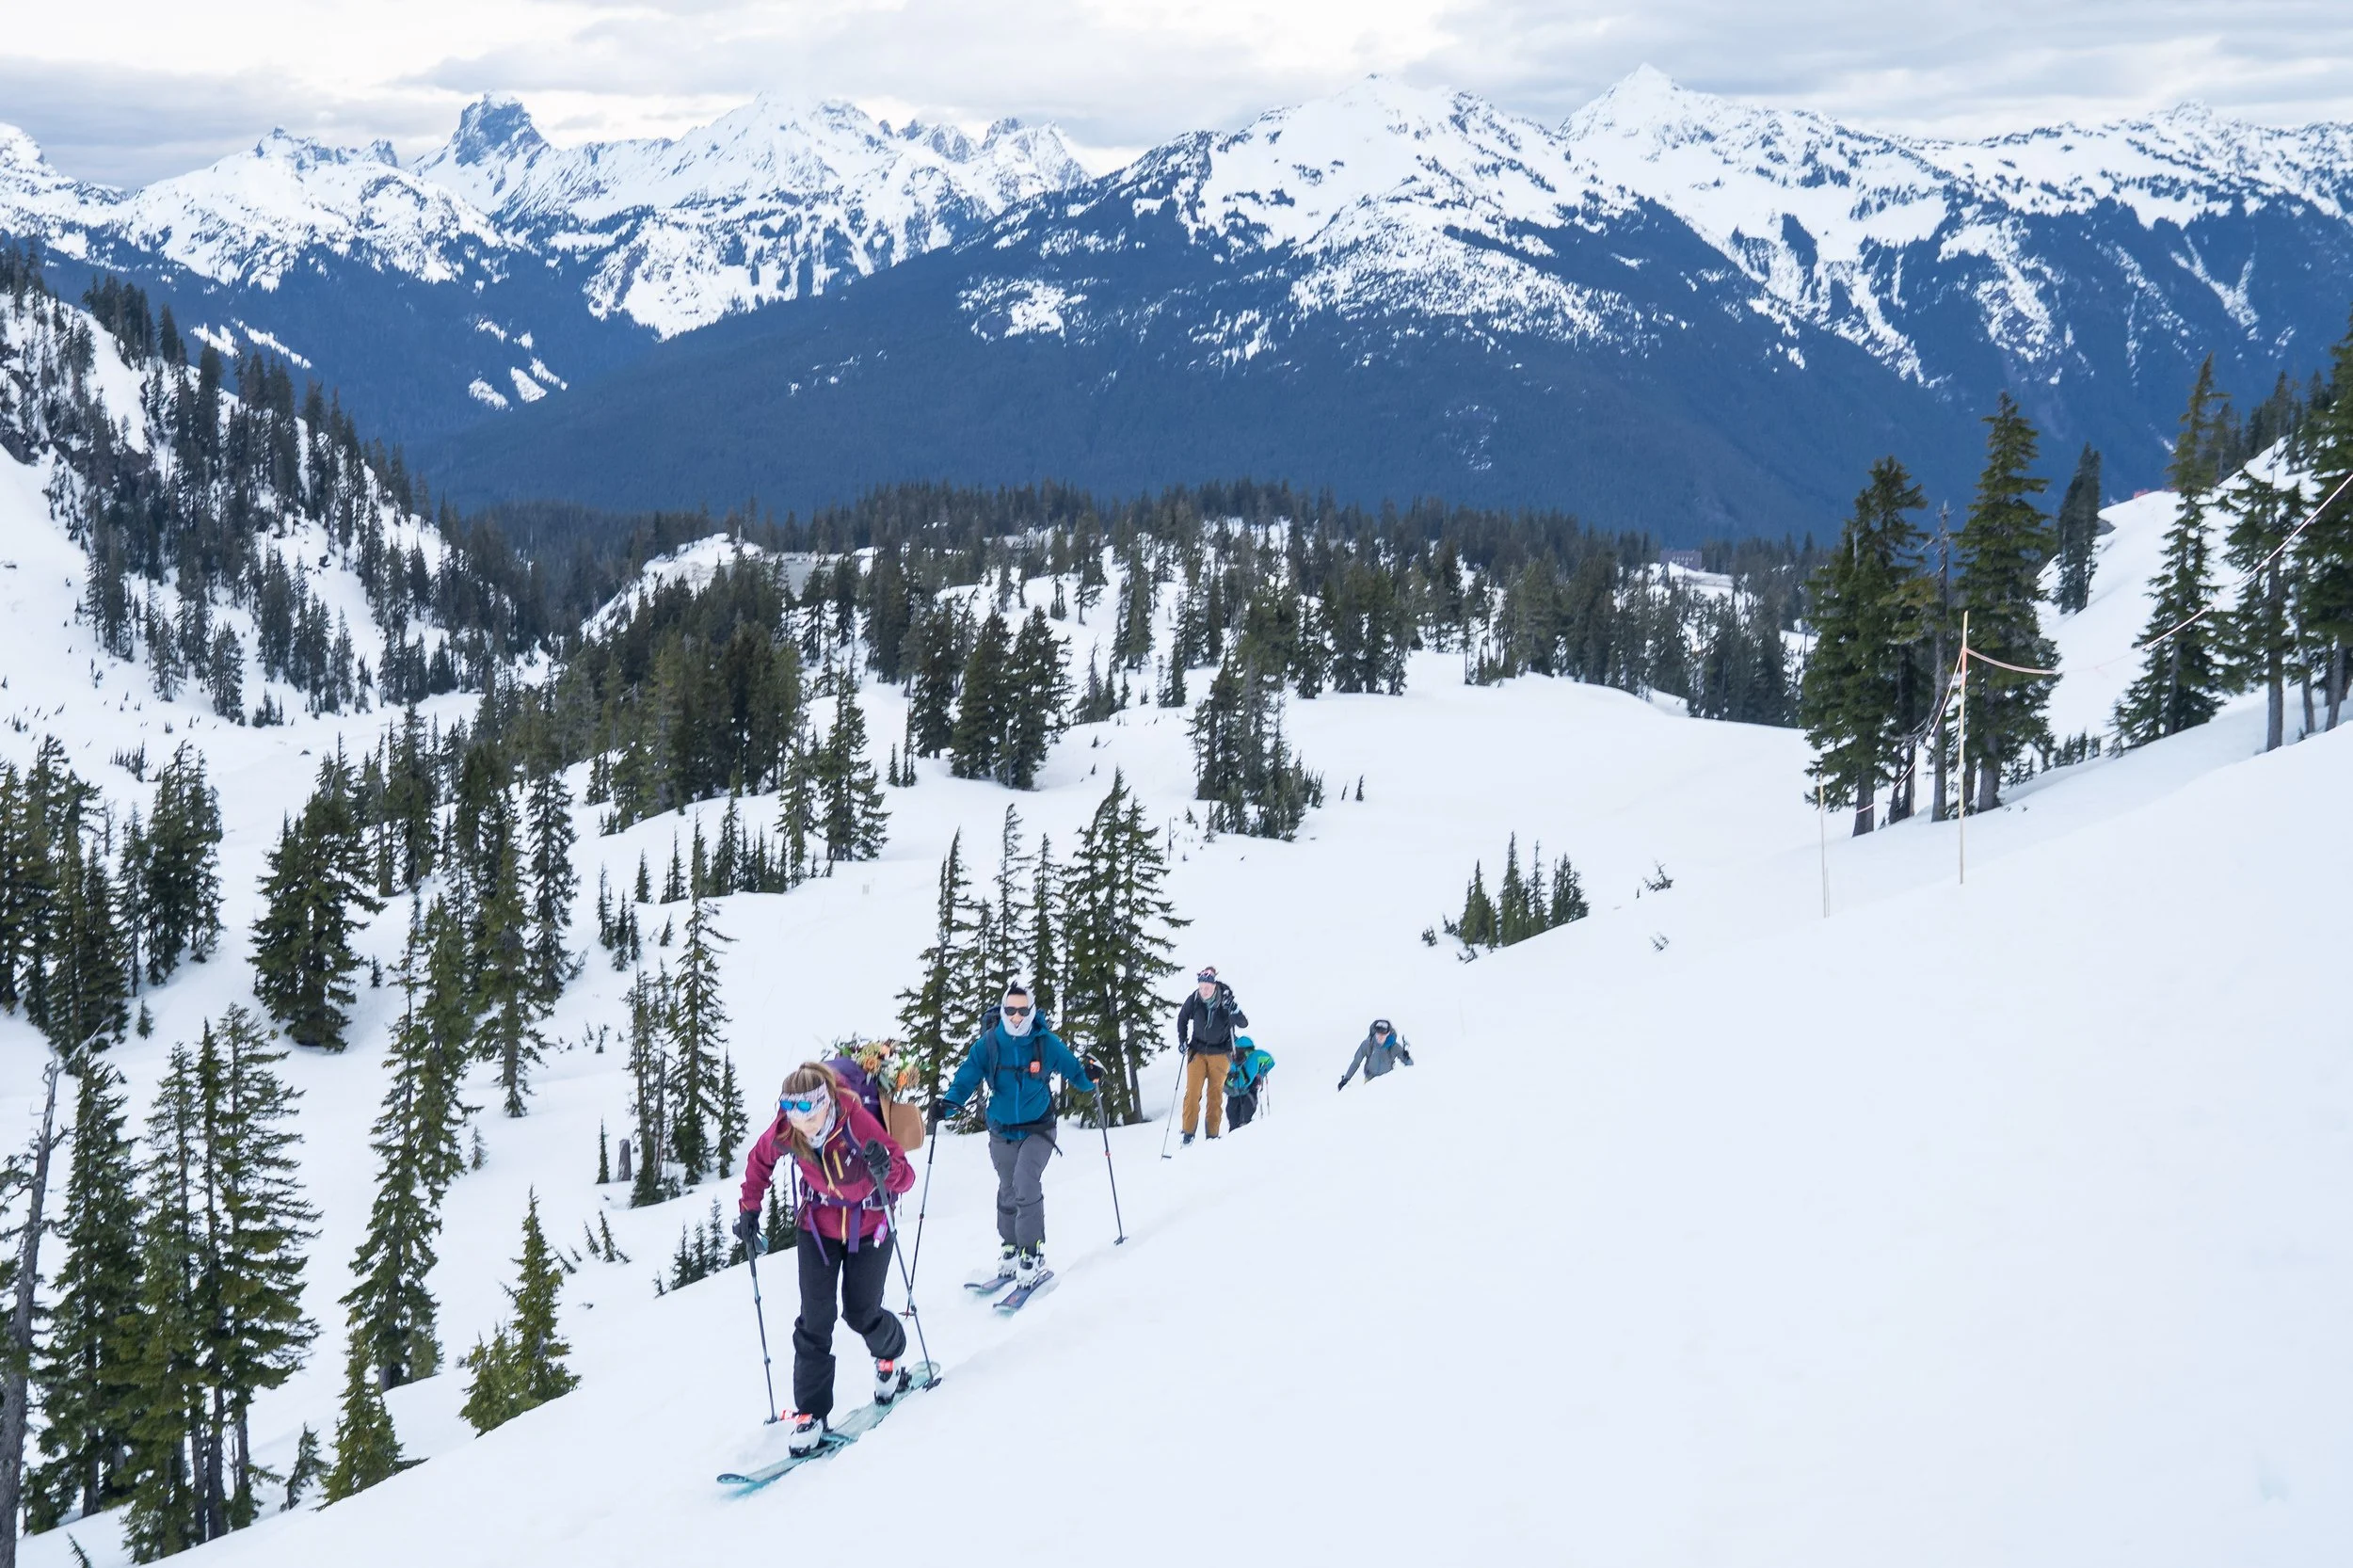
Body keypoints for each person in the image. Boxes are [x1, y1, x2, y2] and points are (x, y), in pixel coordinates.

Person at [734, 1062, 917, 1454]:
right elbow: (759, 1160)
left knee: (860, 1312)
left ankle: (890, 1357)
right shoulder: (787, 1127)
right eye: (790, 1109)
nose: (800, 1121)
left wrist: (887, 1169)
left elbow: (906, 1176)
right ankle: (811, 1415)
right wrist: (749, 1209)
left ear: (826, 1100)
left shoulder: (854, 1119)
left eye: (808, 1110)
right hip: (816, 1227)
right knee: (815, 1319)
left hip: (870, 1225)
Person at [932, 982, 1096, 1288]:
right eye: (1011, 1010)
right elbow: (966, 1078)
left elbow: (1076, 1073)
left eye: (1023, 1010)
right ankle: (1009, 1246)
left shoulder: (1044, 1042)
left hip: (1039, 1128)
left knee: (1025, 1181)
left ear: (1032, 1010)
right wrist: (949, 1105)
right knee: (1007, 1187)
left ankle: (1031, 1252)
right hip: (1001, 1130)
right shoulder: (989, 1044)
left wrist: (1090, 1077)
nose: (1017, 1016)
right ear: (1004, 1011)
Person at [1174, 967, 1248, 1144]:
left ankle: (1212, 1136)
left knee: (1215, 1096)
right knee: (1192, 1093)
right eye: (1201, 987)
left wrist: (1235, 1010)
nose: (1204, 990)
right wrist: (1182, 1040)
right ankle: (1188, 1134)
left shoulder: (1226, 1000)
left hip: (1221, 1053)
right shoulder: (1194, 999)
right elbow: (1182, 1018)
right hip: (1197, 1051)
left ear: (1214, 986)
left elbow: (1243, 1023)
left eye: (1207, 987)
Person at [1337, 1018, 1413, 1089]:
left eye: (1383, 1035)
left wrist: (1407, 1058)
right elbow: (1356, 1061)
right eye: (1378, 1034)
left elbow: (1410, 1065)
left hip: (1388, 1081)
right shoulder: (1368, 1044)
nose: (1380, 1037)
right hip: (1370, 1080)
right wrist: (1346, 1079)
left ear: (1388, 1034)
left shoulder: (1394, 1047)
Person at [1224, 1037, 1275, 1128]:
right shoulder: (1232, 1059)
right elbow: (1270, 1061)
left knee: (1243, 1120)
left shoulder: (1255, 1056)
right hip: (1235, 1093)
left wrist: (1260, 1073)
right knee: (1234, 1120)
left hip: (1248, 1091)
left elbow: (1270, 1061)